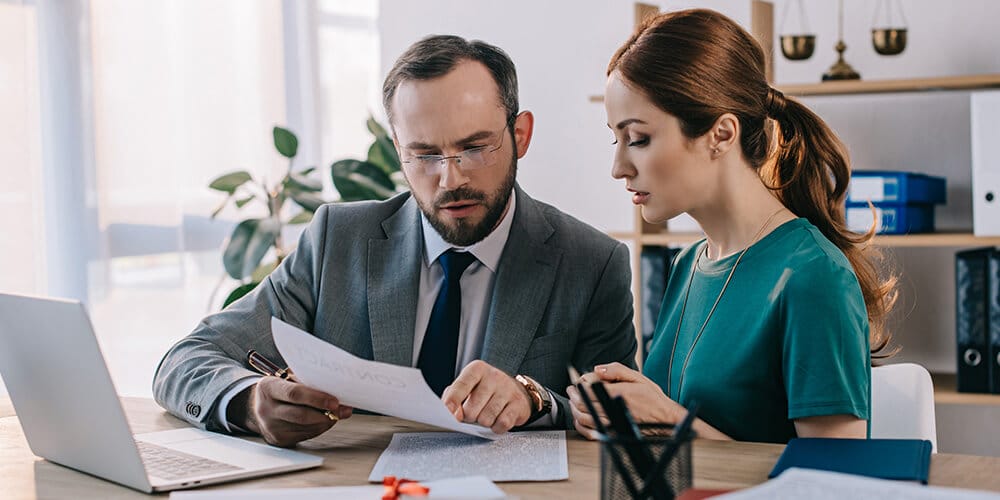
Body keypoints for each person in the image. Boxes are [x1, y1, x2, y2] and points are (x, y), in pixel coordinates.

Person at [154, 35, 637, 447]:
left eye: (473, 148)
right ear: (398, 150)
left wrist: (536, 399)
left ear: (520, 135)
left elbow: (622, 414)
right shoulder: (335, 242)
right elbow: (184, 360)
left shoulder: (590, 262)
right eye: (424, 155)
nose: (450, 180)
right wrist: (248, 402)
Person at [569, 9, 896, 444]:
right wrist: (623, 414)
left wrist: (670, 423)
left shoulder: (813, 276)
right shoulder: (689, 265)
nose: (618, 167)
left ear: (721, 134)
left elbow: (834, 480)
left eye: (639, 139)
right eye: (617, 139)